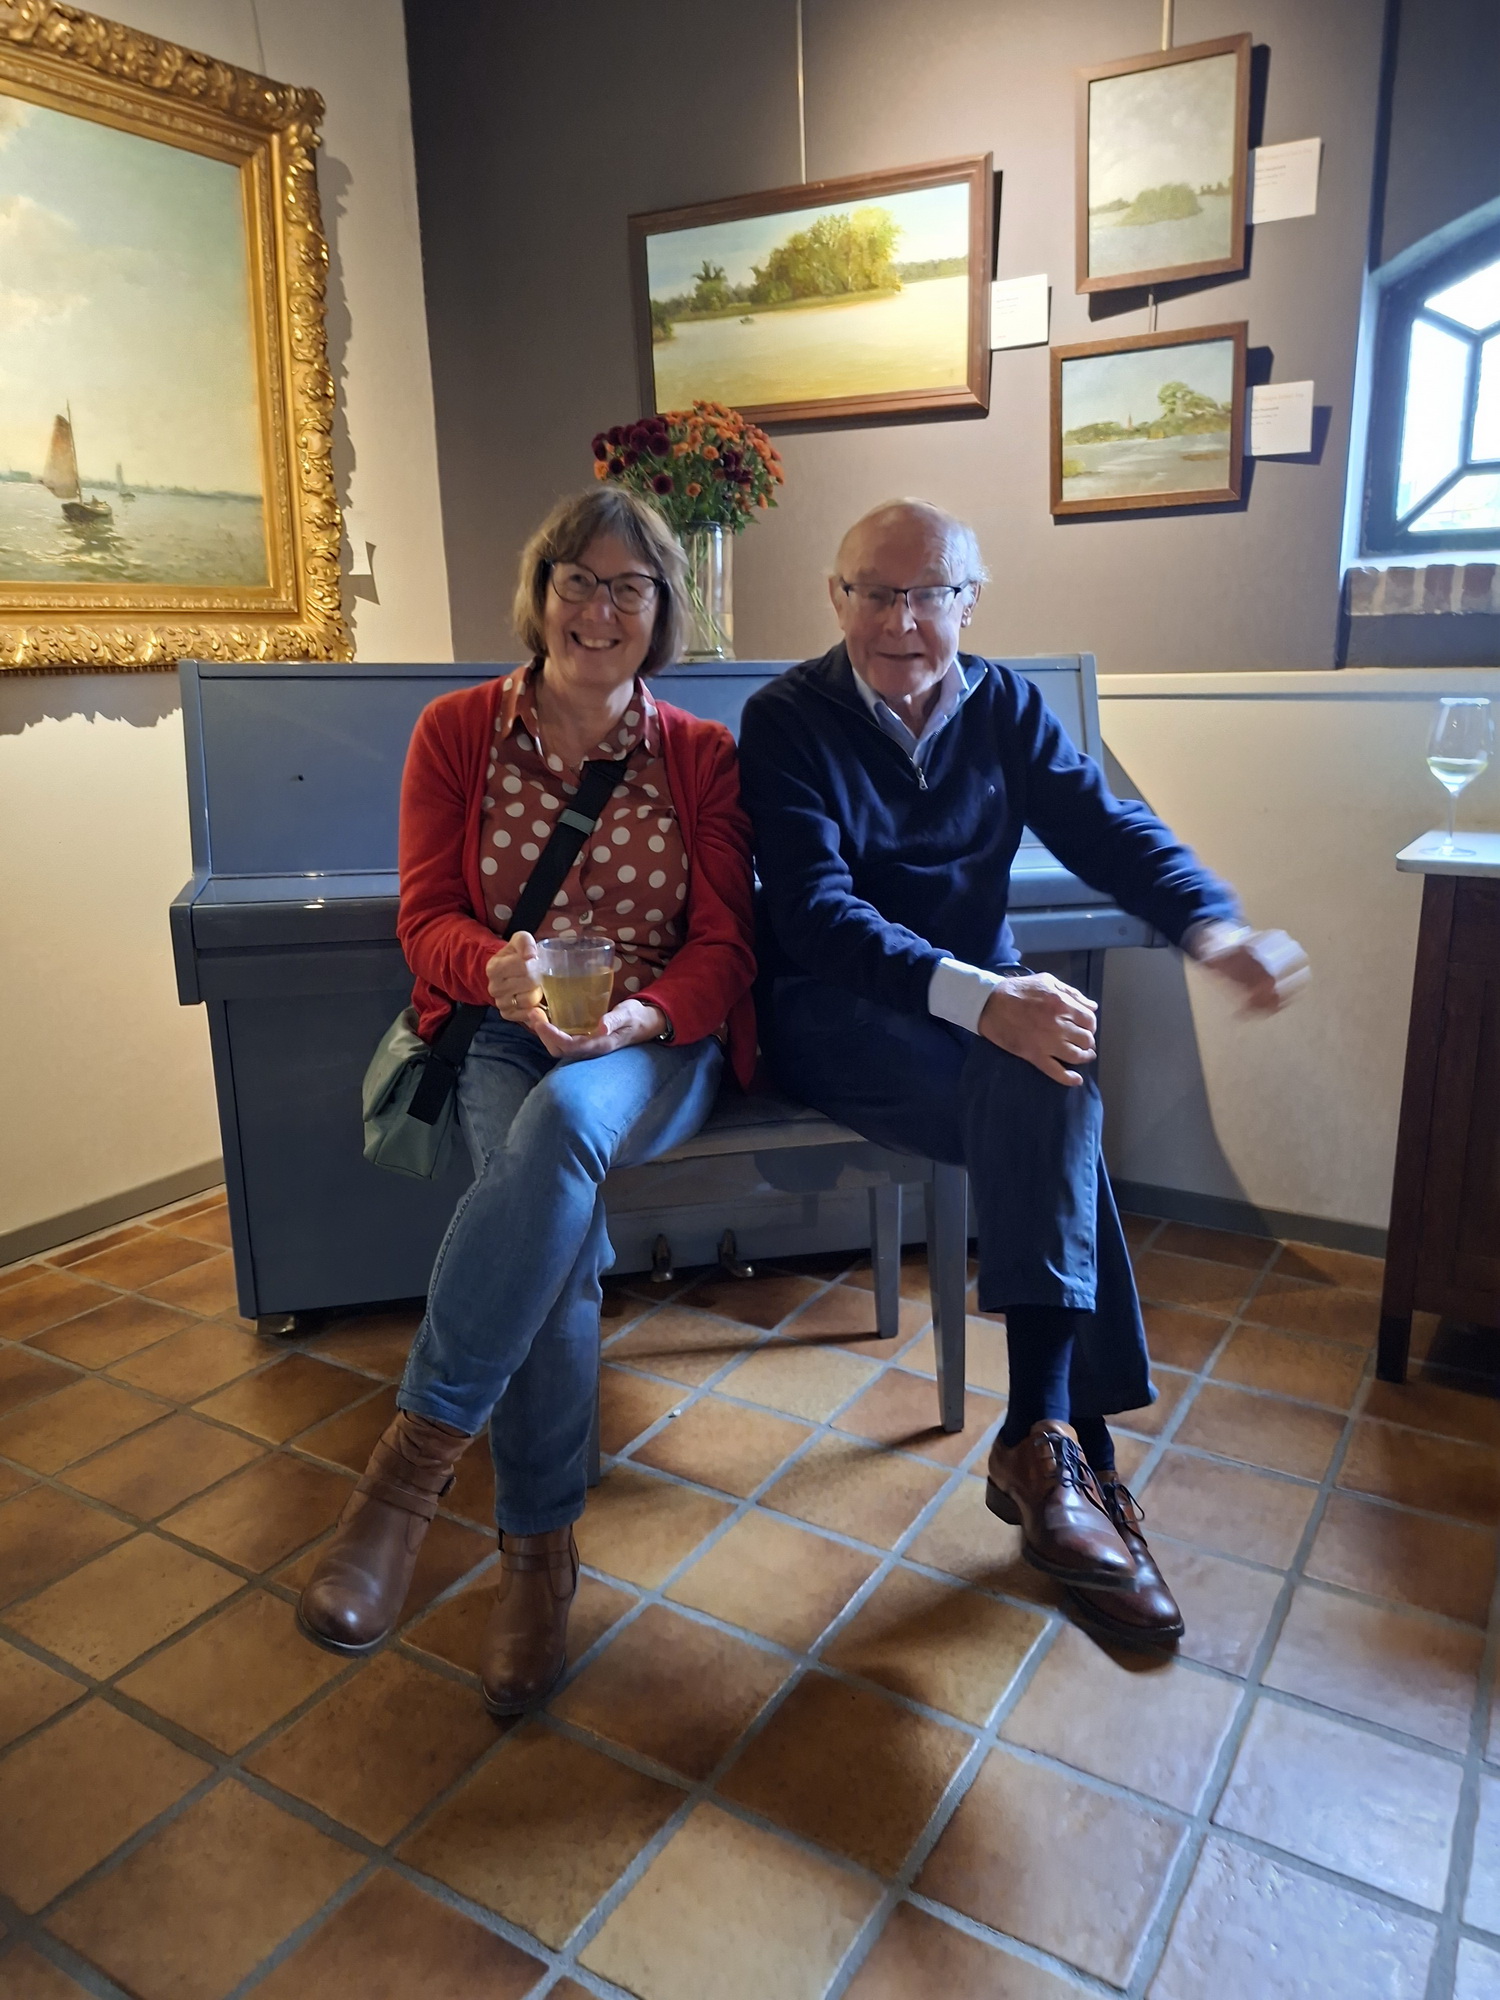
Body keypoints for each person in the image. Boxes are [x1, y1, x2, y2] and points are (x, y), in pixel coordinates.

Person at [737, 499, 1309, 1651]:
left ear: (969, 600)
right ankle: (1075, 1457)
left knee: (1051, 1076)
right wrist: (984, 998)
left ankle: (1044, 1450)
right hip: (836, 1008)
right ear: (837, 597)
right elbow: (814, 913)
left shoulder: (1003, 705)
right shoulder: (786, 716)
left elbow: (1106, 827)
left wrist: (1211, 924)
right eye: (874, 593)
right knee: (1047, 1079)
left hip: (971, 999)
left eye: (928, 594)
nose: (901, 621)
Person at [298, 488, 755, 1709]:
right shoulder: (457, 731)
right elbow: (424, 919)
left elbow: (725, 946)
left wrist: (638, 1019)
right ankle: (536, 1552)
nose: (599, 608)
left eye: (629, 586)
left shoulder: (701, 756)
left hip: (651, 1041)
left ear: (661, 609)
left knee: (559, 1135)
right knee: (552, 1234)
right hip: (505, 1030)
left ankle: (406, 1478)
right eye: (577, 580)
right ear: (542, 591)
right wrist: (491, 970)